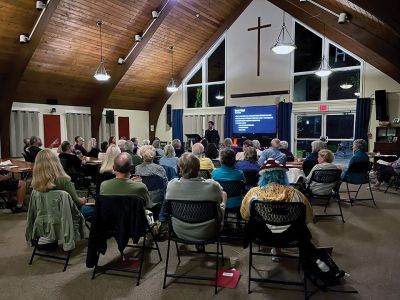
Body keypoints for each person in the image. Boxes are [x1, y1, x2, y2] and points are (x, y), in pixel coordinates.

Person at [166, 153, 227, 242]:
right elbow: (220, 199)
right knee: (223, 195)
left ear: (180, 168)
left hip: (179, 231)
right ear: (199, 168)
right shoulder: (212, 185)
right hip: (208, 231)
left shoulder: (171, 185)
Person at [240, 158, 313, 223]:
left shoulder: (253, 192)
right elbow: (308, 217)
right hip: (290, 231)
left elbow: (245, 215)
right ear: (283, 176)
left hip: (262, 231)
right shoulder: (296, 193)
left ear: (263, 176)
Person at [31, 149, 94, 218]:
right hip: (68, 215)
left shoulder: (36, 184)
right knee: (97, 210)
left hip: (44, 217)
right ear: (56, 162)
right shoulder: (64, 181)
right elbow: (77, 203)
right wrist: (83, 200)